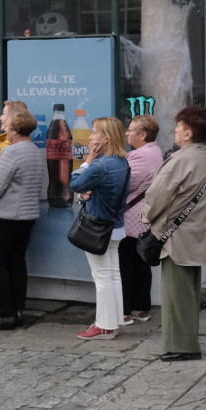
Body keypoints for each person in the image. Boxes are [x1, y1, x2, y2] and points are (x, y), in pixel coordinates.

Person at [141, 108, 206, 361]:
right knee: (188, 293)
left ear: (188, 132)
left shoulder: (181, 159)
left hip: (175, 238)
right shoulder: (205, 157)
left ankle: (182, 347)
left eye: (179, 127)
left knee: (176, 295)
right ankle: (186, 342)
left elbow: (157, 196)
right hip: (195, 235)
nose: (175, 131)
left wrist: (146, 217)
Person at [0, 105, 44, 331]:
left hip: (6, 217)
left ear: (15, 129)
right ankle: (17, 311)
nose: (3, 125)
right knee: (17, 263)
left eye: (6, 123)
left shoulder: (11, 152)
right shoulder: (34, 150)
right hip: (27, 217)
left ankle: (5, 313)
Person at [69, 117, 131, 341]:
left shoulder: (101, 164)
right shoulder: (122, 162)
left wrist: (88, 160)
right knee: (113, 275)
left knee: (103, 276)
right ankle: (113, 321)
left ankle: (104, 326)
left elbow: (75, 183)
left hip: (98, 227)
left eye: (95, 132)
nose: (91, 136)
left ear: (105, 138)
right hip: (116, 225)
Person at [120, 114, 164, 323]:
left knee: (126, 264)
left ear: (142, 134)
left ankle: (125, 310)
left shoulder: (138, 156)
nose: (127, 133)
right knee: (141, 264)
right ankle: (142, 308)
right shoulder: (155, 151)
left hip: (132, 218)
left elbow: (127, 185)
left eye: (130, 130)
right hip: (144, 217)